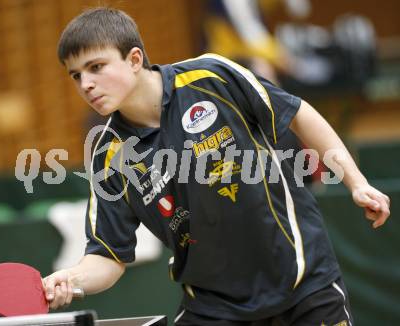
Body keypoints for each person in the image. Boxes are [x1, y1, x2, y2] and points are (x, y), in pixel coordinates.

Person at [43, 7, 390, 325]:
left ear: (134, 59)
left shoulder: (211, 77)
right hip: (215, 308)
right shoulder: (108, 154)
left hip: (301, 284)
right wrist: (71, 280)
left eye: (96, 67)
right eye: (76, 75)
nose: (86, 84)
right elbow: (108, 256)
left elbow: (298, 114)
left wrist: (356, 182)